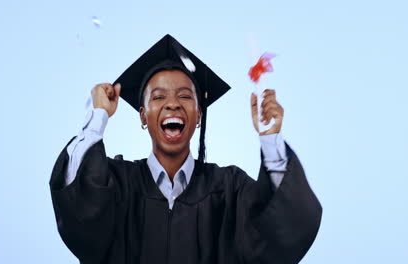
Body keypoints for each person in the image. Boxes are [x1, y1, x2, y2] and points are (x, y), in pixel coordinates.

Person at [49, 34, 322, 264]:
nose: (172, 104)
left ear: (199, 114)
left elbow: (284, 229)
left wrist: (270, 140)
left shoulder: (229, 190)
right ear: (143, 116)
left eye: (184, 96)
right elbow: (79, 212)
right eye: (158, 97)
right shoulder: (119, 185)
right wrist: (98, 117)